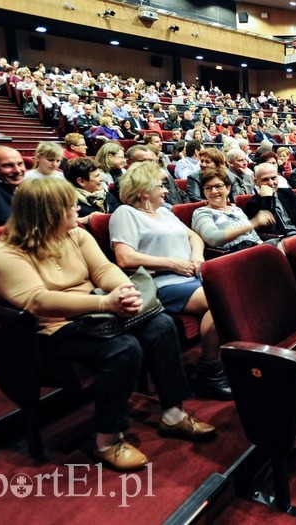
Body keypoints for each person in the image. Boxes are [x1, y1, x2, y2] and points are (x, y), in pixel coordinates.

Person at [0, 177, 215, 472]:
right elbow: (38, 301)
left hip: (94, 315)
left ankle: (173, 413)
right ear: (48, 213)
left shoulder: (74, 235)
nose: (78, 209)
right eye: (70, 206)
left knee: (160, 325)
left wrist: (125, 291)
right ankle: (108, 439)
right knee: (123, 348)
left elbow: (105, 269)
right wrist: (105, 303)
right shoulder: (4, 254)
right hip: (46, 332)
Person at [109, 161, 232, 400]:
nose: (166, 190)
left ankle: (229, 362)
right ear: (143, 189)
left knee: (236, 294)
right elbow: (125, 258)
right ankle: (210, 370)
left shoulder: (164, 212)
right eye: (161, 185)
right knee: (222, 300)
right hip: (162, 282)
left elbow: (194, 236)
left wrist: (196, 256)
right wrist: (173, 263)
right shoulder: (125, 214)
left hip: (190, 276)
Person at [191, 167, 273, 252]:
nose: (214, 191)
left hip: (254, 249)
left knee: (282, 245)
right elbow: (213, 239)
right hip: (233, 256)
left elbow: (255, 237)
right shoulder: (201, 212)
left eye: (218, 186)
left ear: (228, 188)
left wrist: (264, 248)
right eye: (208, 188)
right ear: (204, 191)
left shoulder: (237, 210)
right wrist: (253, 223)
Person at [245, 162, 296, 237]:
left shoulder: (287, 192)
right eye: (265, 180)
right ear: (256, 182)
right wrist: (268, 198)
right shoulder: (253, 204)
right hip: (281, 240)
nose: (271, 183)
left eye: (273, 178)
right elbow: (269, 229)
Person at [63, 157, 120, 225]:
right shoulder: (70, 204)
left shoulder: (107, 195)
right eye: (97, 176)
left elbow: (121, 215)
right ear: (81, 181)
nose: (101, 179)